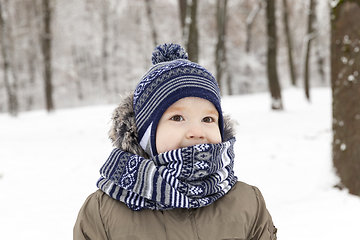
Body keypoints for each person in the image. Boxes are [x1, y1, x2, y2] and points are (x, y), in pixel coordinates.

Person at [74, 43, 277, 240]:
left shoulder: (248, 202)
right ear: (145, 135)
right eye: (178, 118)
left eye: (208, 119)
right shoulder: (102, 212)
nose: (197, 131)